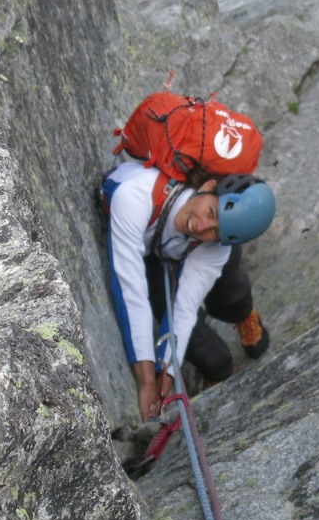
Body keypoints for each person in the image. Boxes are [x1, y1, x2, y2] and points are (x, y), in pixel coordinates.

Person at [101, 160, 276, 420]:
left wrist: (166, 377)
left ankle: (243, 313)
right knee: (172, 319)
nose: (202, 227)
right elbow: (130, 290)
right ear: (208, 186)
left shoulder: (215, 242)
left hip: (173, 246)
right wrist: (149, 379)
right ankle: (219, 368)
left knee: (227, 279)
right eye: (212, 213)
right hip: (153, 241)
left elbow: (185, 307)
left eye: (215, 231)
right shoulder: (133, 196)